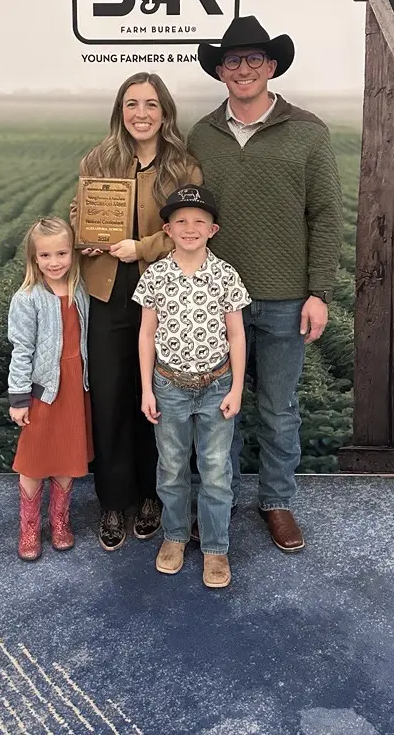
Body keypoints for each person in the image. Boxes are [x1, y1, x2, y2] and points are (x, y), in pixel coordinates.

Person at [187, 15, 343, 553]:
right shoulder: (202, 135)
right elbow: (186, 212)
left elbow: (325, 215)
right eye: (233, 60)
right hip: (215, 301)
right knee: (218, 410)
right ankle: (220, 499)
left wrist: (319, 292)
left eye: (255, 58)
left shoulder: (308, 132)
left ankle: (276, 501)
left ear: (272, 66)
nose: (244, 69)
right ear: (220, 71)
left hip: (284, 300)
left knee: (279, 409)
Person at [71, 72, 202, 552]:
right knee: (109, 398)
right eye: (131, 104)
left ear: (164, 113)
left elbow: (190, 227)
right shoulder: (98, 159)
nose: (140, 113)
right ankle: (112, 501)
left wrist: (140, 247)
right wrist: (84, 235)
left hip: (161, 294)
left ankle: (151, 496)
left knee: (155, 398)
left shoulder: (183, 167)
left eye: (150, 104)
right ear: (120, 111)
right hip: (107, 292)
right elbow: (78, 211)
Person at [134, 184, 250, 589]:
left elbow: (237, 335)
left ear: (212, 230)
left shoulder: (225, 276)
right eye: (180, 221)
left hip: (217, 385)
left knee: (216, 470)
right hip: (169, 386)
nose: (189, 228)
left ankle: (216, 547)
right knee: (171, 467)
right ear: (167, 229)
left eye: (199, 221)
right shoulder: (156, 276)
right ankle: (175, 536)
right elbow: (146, 335)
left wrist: (236, 388)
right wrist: (147, 389)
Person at [7, 217, 93, 562]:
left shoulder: (80, 290)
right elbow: (21, 350)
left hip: (74, 387)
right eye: (45, 255)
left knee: (66, 457)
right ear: (34, 259)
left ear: (73, 253)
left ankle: (59, 520)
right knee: (34, 460)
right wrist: (19, 398)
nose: (54, 262)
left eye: (61, 253)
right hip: (44, 391)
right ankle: (29, 527)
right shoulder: (28, 298)